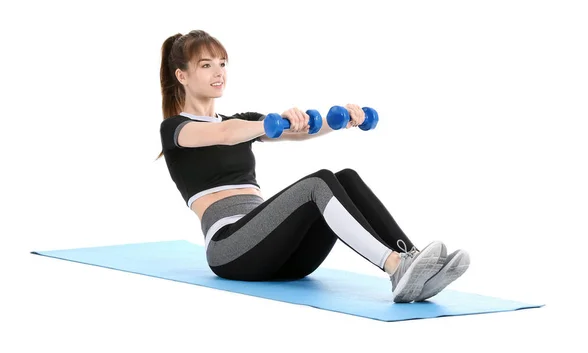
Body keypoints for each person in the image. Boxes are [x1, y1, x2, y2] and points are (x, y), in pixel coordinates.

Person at [156, 30, 470, 303]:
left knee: (343, 178)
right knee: (317, 182)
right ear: (182, 76)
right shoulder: (175, 129)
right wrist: (267, 122)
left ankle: (415, 264)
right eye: (206, 65)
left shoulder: (243, 122)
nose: (219, 72)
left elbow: (299, 132)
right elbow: (225, 134)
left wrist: (342, 120)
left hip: (285, 257)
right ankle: (394, 267)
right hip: (231, 251)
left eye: (222, 64)